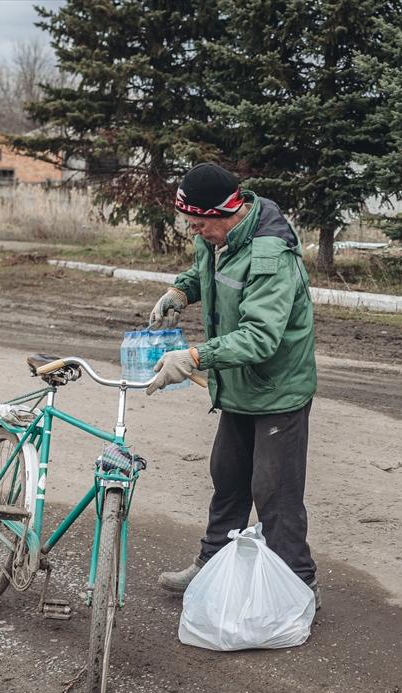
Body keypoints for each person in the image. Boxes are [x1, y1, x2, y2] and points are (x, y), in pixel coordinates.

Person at [147, 162, 320, 608]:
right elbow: (204, 270)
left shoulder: (269, 255)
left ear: (229, 211)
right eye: (192, 224)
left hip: (277, 389)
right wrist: (179, 292)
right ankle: (212, 566)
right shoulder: (218, 238)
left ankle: (298, 588)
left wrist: (194, 357)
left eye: (201, 223)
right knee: (227, 478)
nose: (197, 232)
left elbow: (261, 337)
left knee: (274, 494)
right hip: (240, 387)